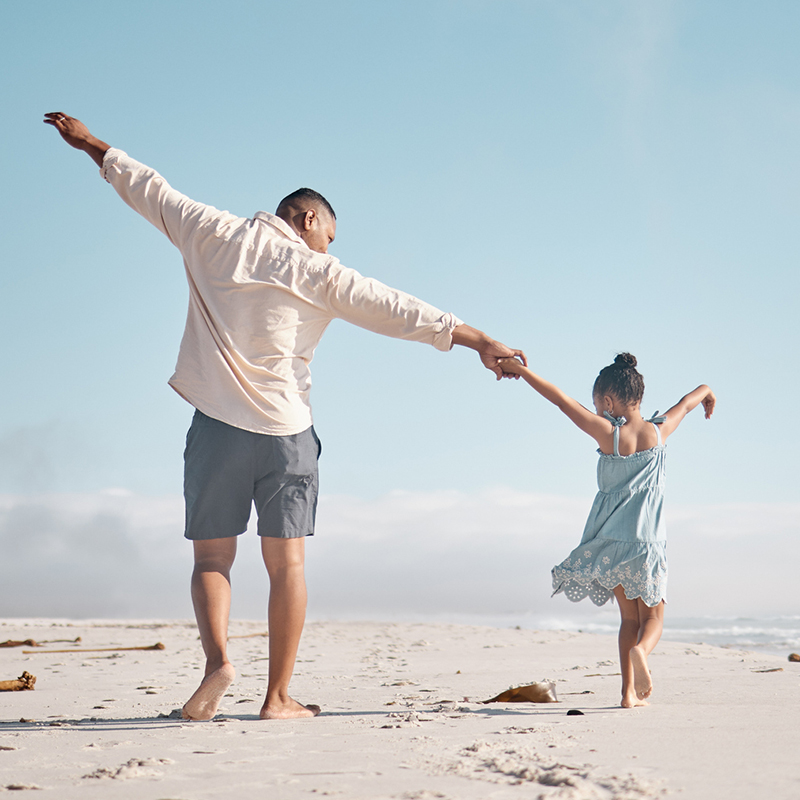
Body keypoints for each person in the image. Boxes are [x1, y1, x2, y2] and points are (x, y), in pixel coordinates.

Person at [44, 112, 526, 721]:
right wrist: (480, 340)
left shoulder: (208, 231)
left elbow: (146, 186)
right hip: (286, 433)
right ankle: (276, 698)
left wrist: (89, 142)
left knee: (212, 560)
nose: (331, 244)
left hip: (216, 426)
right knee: (287, 565)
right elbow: (400, 309)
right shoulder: (318, 270)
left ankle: (218, 662)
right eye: (331, 232)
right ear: (310, 221)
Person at [497, 352, 715, 708]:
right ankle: (642, 652)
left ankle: (627, 694)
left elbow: (560, 400)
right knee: (653, 617)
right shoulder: (660, 431)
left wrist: (521, 371)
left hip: (612, 544)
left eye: (598, 406)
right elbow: (687, 403)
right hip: (647, 543)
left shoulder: (608, 435)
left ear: (609, 402)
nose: (596, 412)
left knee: (628, 618)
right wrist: (707, 392)